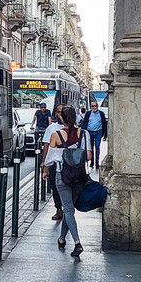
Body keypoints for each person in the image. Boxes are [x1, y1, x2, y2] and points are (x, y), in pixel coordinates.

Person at [43, 106, 92, 257]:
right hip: (78, 176)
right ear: (75, 118)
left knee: (68, 209)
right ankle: (62, 238)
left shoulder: (56, 135)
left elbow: (49, 159)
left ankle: (77, 243)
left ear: (62, 118)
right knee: (69, 209)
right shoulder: (84, 134)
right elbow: (89, 156)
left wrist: (45, 171)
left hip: (61, 175)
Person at [41, 104, 65, 220]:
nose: (61, 115)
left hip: (68, 164)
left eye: (63, 112)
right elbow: (46, 146)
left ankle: (67, 209)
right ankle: (59, 209)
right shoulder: (51, 128)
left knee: (66, 188)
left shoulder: (73, 128)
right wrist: (44, 162)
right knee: (54, 187)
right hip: (54, 162)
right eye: (59, 112)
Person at [81, 100, 108, 168]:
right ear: (91, 107)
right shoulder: (88, 113)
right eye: (93, 106)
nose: (94, 107)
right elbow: (84, 122)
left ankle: (97, 161)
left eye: (95, 106)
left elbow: (104, 123)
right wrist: (83, 132)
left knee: (97, 146)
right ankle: (92, 161)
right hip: (90, 132)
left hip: (98, 131)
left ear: (97, 106)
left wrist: (105, 134)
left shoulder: (101, 113)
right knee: (91, 147)